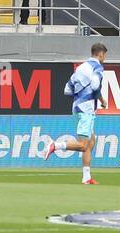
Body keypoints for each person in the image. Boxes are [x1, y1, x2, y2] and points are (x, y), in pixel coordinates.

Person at [45, 42, 108, 185]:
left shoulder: (80, 68)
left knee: (91, 142)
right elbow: (95, 86)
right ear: (101, 54)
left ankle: (86, 177)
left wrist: (80, 95)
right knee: (83, 144)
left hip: (77, 108)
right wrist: (102, 100)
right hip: (86, 110)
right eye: (104, 56)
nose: (104, 58)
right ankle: (55, 145)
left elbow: (67, 89)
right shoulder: (97, 67)